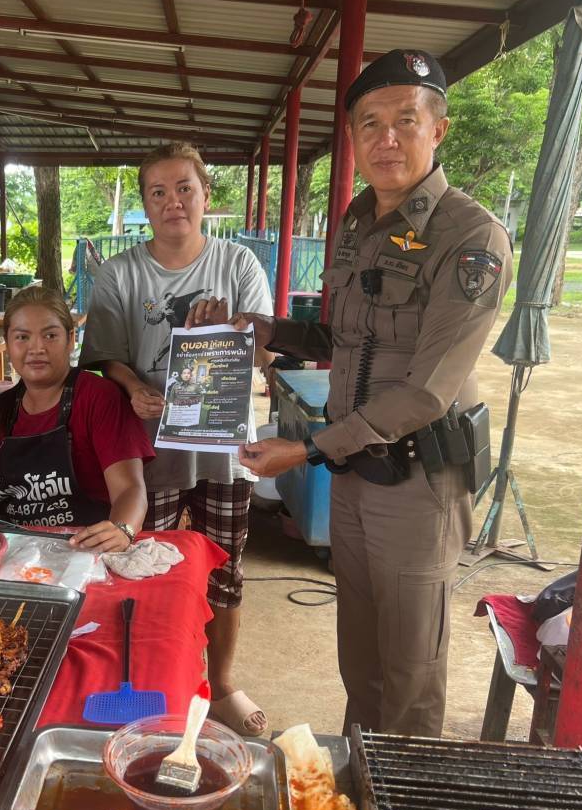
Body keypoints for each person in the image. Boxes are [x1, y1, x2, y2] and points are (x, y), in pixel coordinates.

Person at [188, 50, 513, 737]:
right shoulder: (359, 222)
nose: (386, 138)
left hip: (418, 481)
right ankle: (359, 779)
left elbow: (426, 392)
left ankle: (403, 792)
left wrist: (307, 450)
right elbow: (343, 338)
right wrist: (261, 327)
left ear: (438, 130)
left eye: (405, 121)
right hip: (355, 476)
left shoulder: (470, 235)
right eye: (370, 124)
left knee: (410, 672)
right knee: (360, 659)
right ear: (354, 138)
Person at [80, 142, 274, 736]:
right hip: (148, 450)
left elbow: (265, 352)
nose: (173, 202)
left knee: (225, 572)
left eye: (184, 188)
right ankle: (152, 684)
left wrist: (231, 331)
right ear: (144, 204)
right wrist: (133, 386)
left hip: (223, 449)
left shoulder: (239, 264)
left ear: (205, 195)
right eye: (158, 192)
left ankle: (223, 685)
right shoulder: (119, 273)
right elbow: (104, 356)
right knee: (142, 570)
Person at [0, 286, 152, 553]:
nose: (36, 348)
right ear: (7, 342)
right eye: (22, 337)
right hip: (21, 552)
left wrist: (122, 530)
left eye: (50, 335)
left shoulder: (99, 397)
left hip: (86, 550)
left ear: (71, 339)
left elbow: (130, 489)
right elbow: (1, 497)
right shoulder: (6, 409)